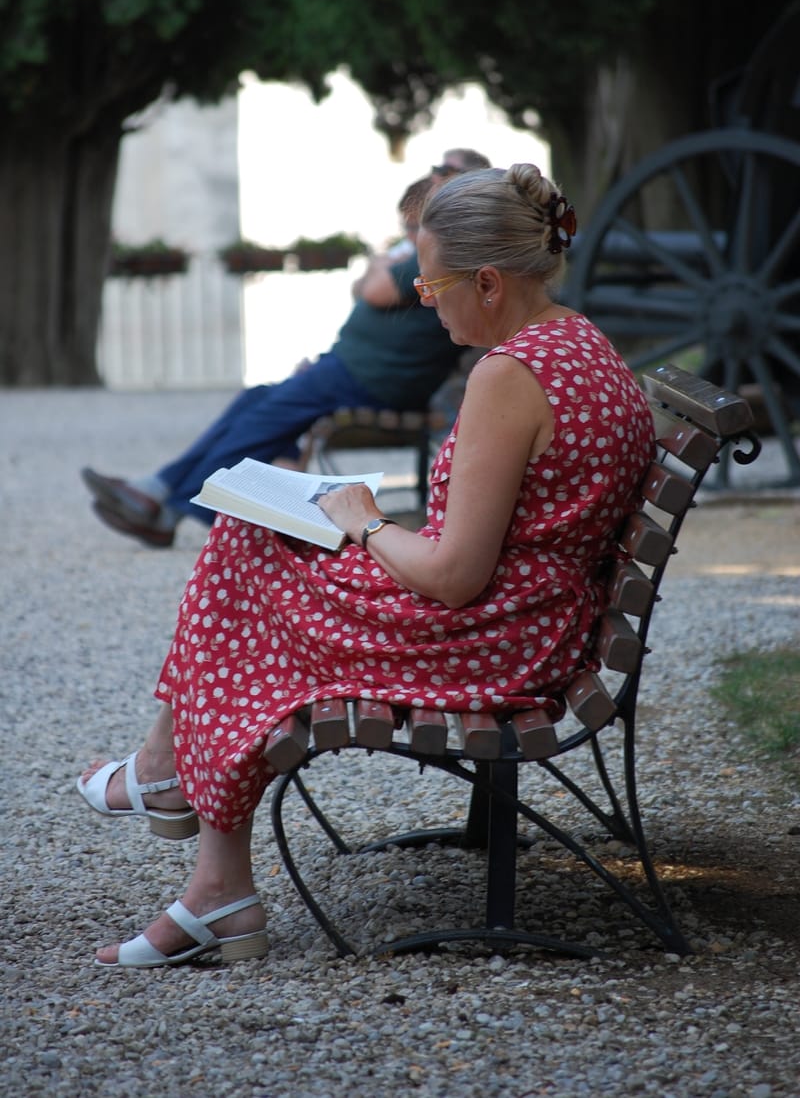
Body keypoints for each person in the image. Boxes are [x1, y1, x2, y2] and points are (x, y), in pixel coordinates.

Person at [76, 162, 655, 967]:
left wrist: (366, 520)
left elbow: (455, 575)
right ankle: (191, 827)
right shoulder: (577, 339)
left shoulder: (508, 374)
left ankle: (193, 830)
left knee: (243, 551)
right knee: (252, 544)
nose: (427, 299)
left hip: (496, 642)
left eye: (432, 285)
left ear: (487, 282)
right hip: (536, 620)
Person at [82, 149, 490, 548]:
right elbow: (362, 286)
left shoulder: (444, 250)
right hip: (350, 370)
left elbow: (375, 290)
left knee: (266, 418)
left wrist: (384, 264)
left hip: (376, 381)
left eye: (447, 170)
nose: (434, 176)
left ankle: (166, 503)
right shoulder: (424, 245)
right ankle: (158, 491)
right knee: (257, 399)